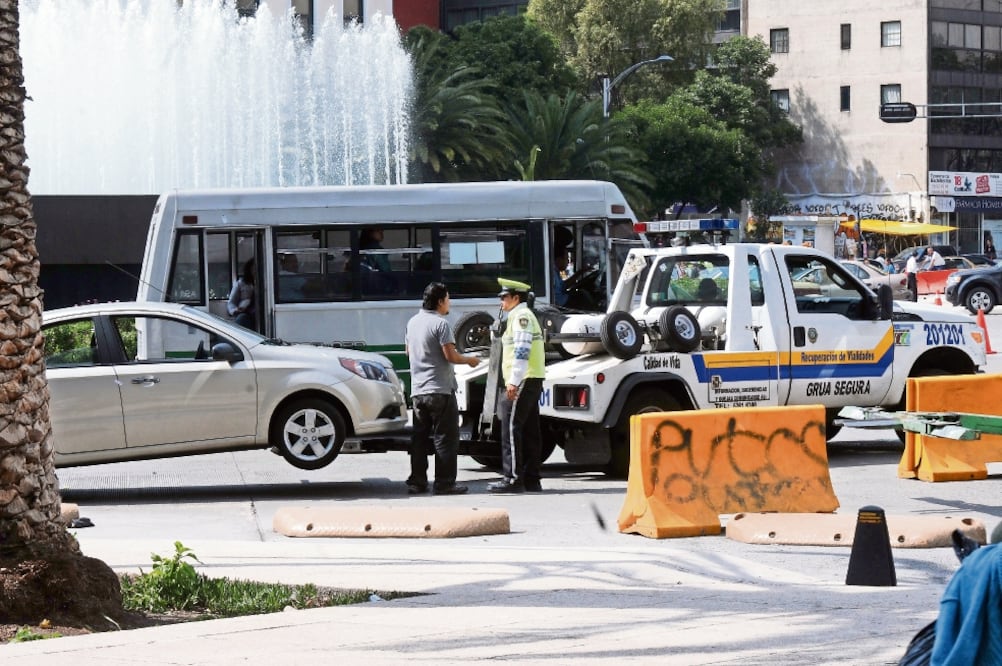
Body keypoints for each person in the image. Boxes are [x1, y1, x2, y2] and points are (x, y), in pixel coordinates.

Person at [404, 282, 481, 496]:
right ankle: (445, 483)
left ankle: (417, 482)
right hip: (440, 390)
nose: (449, 303)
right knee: (445, 438)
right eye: (448, 299)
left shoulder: (412, 322)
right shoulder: (441, 324)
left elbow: (409, 352)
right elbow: (450, 356)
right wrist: (470, 360)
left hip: (418, 391)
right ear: (440, 302)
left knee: (419, 439)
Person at [488, 278, 546, 493]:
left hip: (523, 379)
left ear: (516, 298)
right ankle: (532, 479)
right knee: (530, 430)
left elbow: (522, 350)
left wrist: (513, 381)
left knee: (511, 428)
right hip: (531, 378)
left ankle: (512, 479)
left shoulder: (521, 316)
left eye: (504, 297)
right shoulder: (521, 316)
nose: (501, 301)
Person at [227, 259, 256, 330]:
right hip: (246, 313)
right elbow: (231, 302)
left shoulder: (266, 283)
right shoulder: (241, 283)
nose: (255, 271)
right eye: (253, 268)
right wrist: (235, 310)